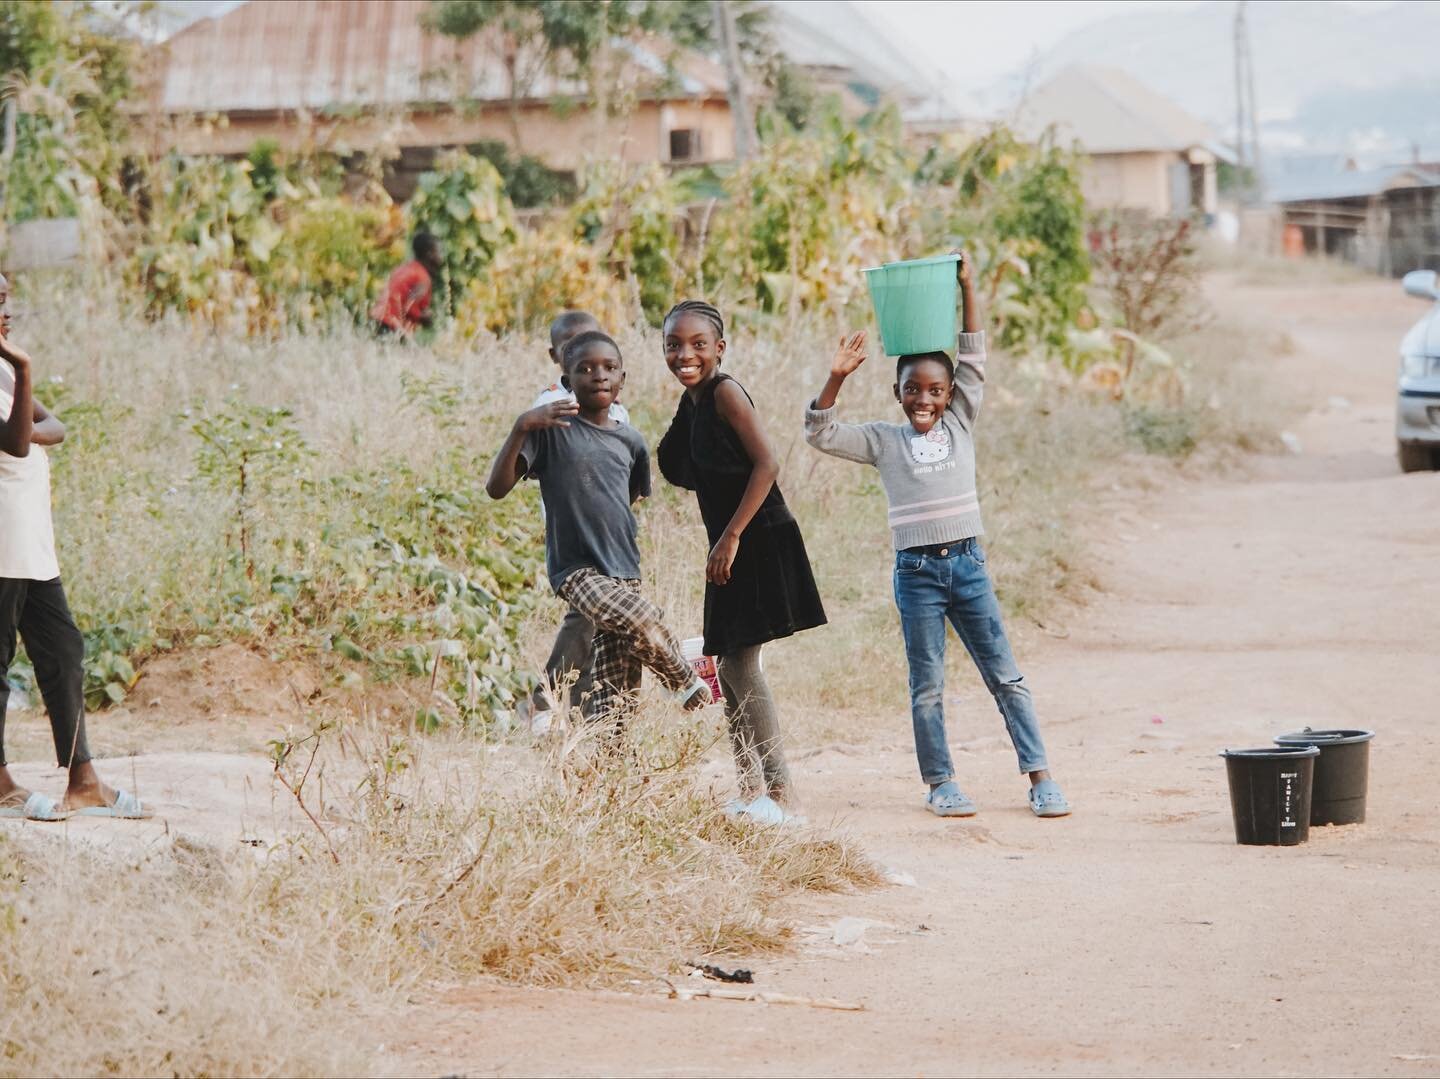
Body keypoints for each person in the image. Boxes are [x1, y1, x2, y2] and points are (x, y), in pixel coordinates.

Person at [803, 253, 1071, 819]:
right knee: (927, 685)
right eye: (912, 390)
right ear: (896, 390)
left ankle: (1040, 776)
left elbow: (973, 354)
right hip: (917, 575)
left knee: (1007, 676)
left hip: (968, 567)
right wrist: (835, 377)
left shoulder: (960, 423)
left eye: (934, 391)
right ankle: (940, 784)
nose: (924, 401)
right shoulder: (881, 440)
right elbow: (820, 434)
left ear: (950, 395)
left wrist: (969, 285)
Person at [486, 331, 711, 731]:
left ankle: (610, 771)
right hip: (577, 570)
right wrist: (521, 427)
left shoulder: (631, 441)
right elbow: (496, 488)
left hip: (625, 570)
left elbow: (627, 498)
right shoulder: (550, 432)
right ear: (567, 382)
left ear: (622, 379)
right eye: (585, 369)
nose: (599, 375)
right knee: (643, 618)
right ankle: (680, 680)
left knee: (615, 701)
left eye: (609, 368)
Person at [657, 301, 825, 825]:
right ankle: (752, 789)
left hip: (756, 537)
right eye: (674, 345)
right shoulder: (695, 401)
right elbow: (674, 463)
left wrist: (730, 535)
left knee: (739, 664)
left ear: (719, 349)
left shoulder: (726, 392)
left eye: (698, 345)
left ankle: (778, 793)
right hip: (728, 545)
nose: (685, 354)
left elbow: (767, 463)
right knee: (725, 663)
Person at [0, 274, 150, 820]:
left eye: (6, 299)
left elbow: (52, 426)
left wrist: (23, 403)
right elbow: (18, 444)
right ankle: (1, 784)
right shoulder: (10, 368)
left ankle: (82, 780)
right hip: (1, 543)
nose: (7, 312)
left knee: (62, 651)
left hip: (29, 542)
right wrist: (24, 367)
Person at [521, 311, 631, 729]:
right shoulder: (552, 406)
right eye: (571, 350)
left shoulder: (615, 406)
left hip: (610, 530)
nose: (586, 359)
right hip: (572, 530)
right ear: (556, 357)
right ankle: (543, 699)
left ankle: (587, 715)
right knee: (586, 614)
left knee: (597, 620)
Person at [371, 231, 443, 336]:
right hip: (390, 324)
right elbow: (409, 308)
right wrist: (424, 318)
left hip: (376, 317)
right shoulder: (423, 278)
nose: (441, 258)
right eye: (439, 252)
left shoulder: (403, 268)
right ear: (429, 254)